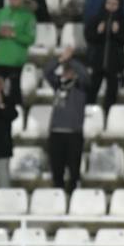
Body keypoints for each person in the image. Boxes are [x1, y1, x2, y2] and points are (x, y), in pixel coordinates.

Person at [44, 49, 90, 194]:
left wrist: (70, 61)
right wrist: (60, 60)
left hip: (73, 134)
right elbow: (47, 72)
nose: (66, 72)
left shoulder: (81, 86)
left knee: (74, 172)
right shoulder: (58, 85)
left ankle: (73, 197)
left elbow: (85, 75)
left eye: (69, 70)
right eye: (65, 69)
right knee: (56, 171)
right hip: (56, 133)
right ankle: (58, 198)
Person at [85, 0, 124, 110]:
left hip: (115, 62)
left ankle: (108, 114)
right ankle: (89, 114)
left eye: (114, 4)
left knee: (111, 92)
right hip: (97, 62)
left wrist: (117, 33)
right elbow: (89, 37)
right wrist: (98, 32)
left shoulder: (123, 21)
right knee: (92, 90)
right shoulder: (96, 18)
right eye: (109, 3)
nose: (111, 6)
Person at [0, 0, 36, 101]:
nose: (13, 0)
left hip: (16, 61)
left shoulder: (28, 16)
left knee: (14, 92)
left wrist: (14, 34)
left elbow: (30, 39)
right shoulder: (0, 13)